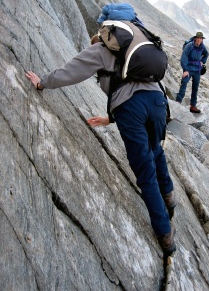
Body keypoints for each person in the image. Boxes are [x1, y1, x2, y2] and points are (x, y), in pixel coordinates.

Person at [25, 36, 176, 255]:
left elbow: (70, 72)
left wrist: (42, 83)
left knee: (145, 170)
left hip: (131, 108)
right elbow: (140, 88)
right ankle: (170, 198)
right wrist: (111, 118)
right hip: (158, 103)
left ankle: (165, 234)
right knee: (156, 149)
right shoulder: (137, 52)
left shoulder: (99, 50)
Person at [176, 31, 209, 113]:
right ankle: (178, 102)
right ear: (195, 38)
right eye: (198, 38)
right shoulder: (189, 46)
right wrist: (185, 70)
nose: (199, 40)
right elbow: (184, 58)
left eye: (200, 38)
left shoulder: (202, 47)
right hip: (189, 68)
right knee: (184, 83)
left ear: (202, 40)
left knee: (195, 87)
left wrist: (202, 61)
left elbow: (206, 54)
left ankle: (193, 106)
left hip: (197, 69)